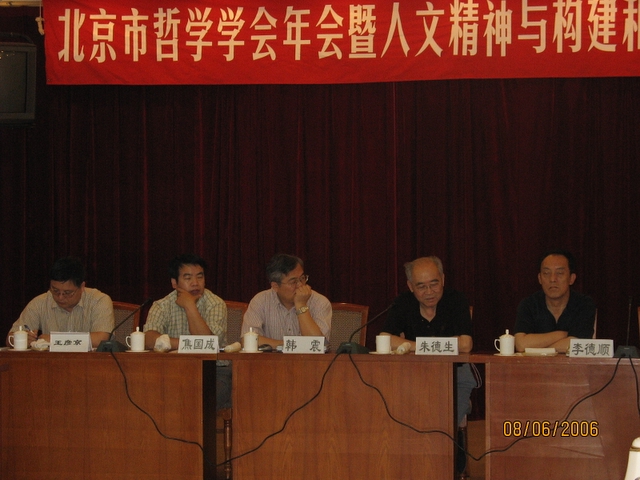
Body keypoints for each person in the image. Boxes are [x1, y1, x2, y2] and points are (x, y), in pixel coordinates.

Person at [379, 256, 477, 427]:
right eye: (421, 286)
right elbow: (384, 339)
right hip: (413, 374)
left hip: (454, 374)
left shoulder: (456, 300)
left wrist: (409, 345)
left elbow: (466, 344)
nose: (429, 291)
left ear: (443, 279)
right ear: (411, 286)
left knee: (444, 422)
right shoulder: (402, 302)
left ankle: (447, 436)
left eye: (434, 284)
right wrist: (424, 346)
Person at [143, 253, 231, 409]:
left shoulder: (216, 303)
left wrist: (190, 306)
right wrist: (186, 344)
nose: (195, 283)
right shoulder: (162, 305)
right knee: (150, 396)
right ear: (174, 283)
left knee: (202, 401)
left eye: (200, 277)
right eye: (188, 278)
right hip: (173, 369)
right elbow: (149, 339)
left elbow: (208, 344)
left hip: (214, 370)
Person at [6, 256, 114, 347]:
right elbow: (9, 339)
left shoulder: (99, 301)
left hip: (89, 363)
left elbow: (102, 339)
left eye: (67, 293)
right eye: (55, 290)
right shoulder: (40, 303)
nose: (60, 297)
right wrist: (21, 339)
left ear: (82, 287)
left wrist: (54, 340)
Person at [241, 253, 332, 348]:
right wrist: (290, 345)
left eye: (302, 278)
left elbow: (318, 344)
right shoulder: (260, 301)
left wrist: (301, 305)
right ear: (275, 286)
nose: (300, 285)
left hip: (307, 358)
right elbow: (247, 341)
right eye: (293, 282)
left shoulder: (319, 302)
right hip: (272, 358)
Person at [514, 249, 596, 353]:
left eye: (560, 273)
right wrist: (563, 335)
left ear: (571, 278)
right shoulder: (528, 304)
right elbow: (521, 345)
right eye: (546, 273)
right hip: (535, 364)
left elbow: (577, 344)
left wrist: (537, 348)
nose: (552, 279)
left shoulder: (584, 304)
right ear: (539, 278)